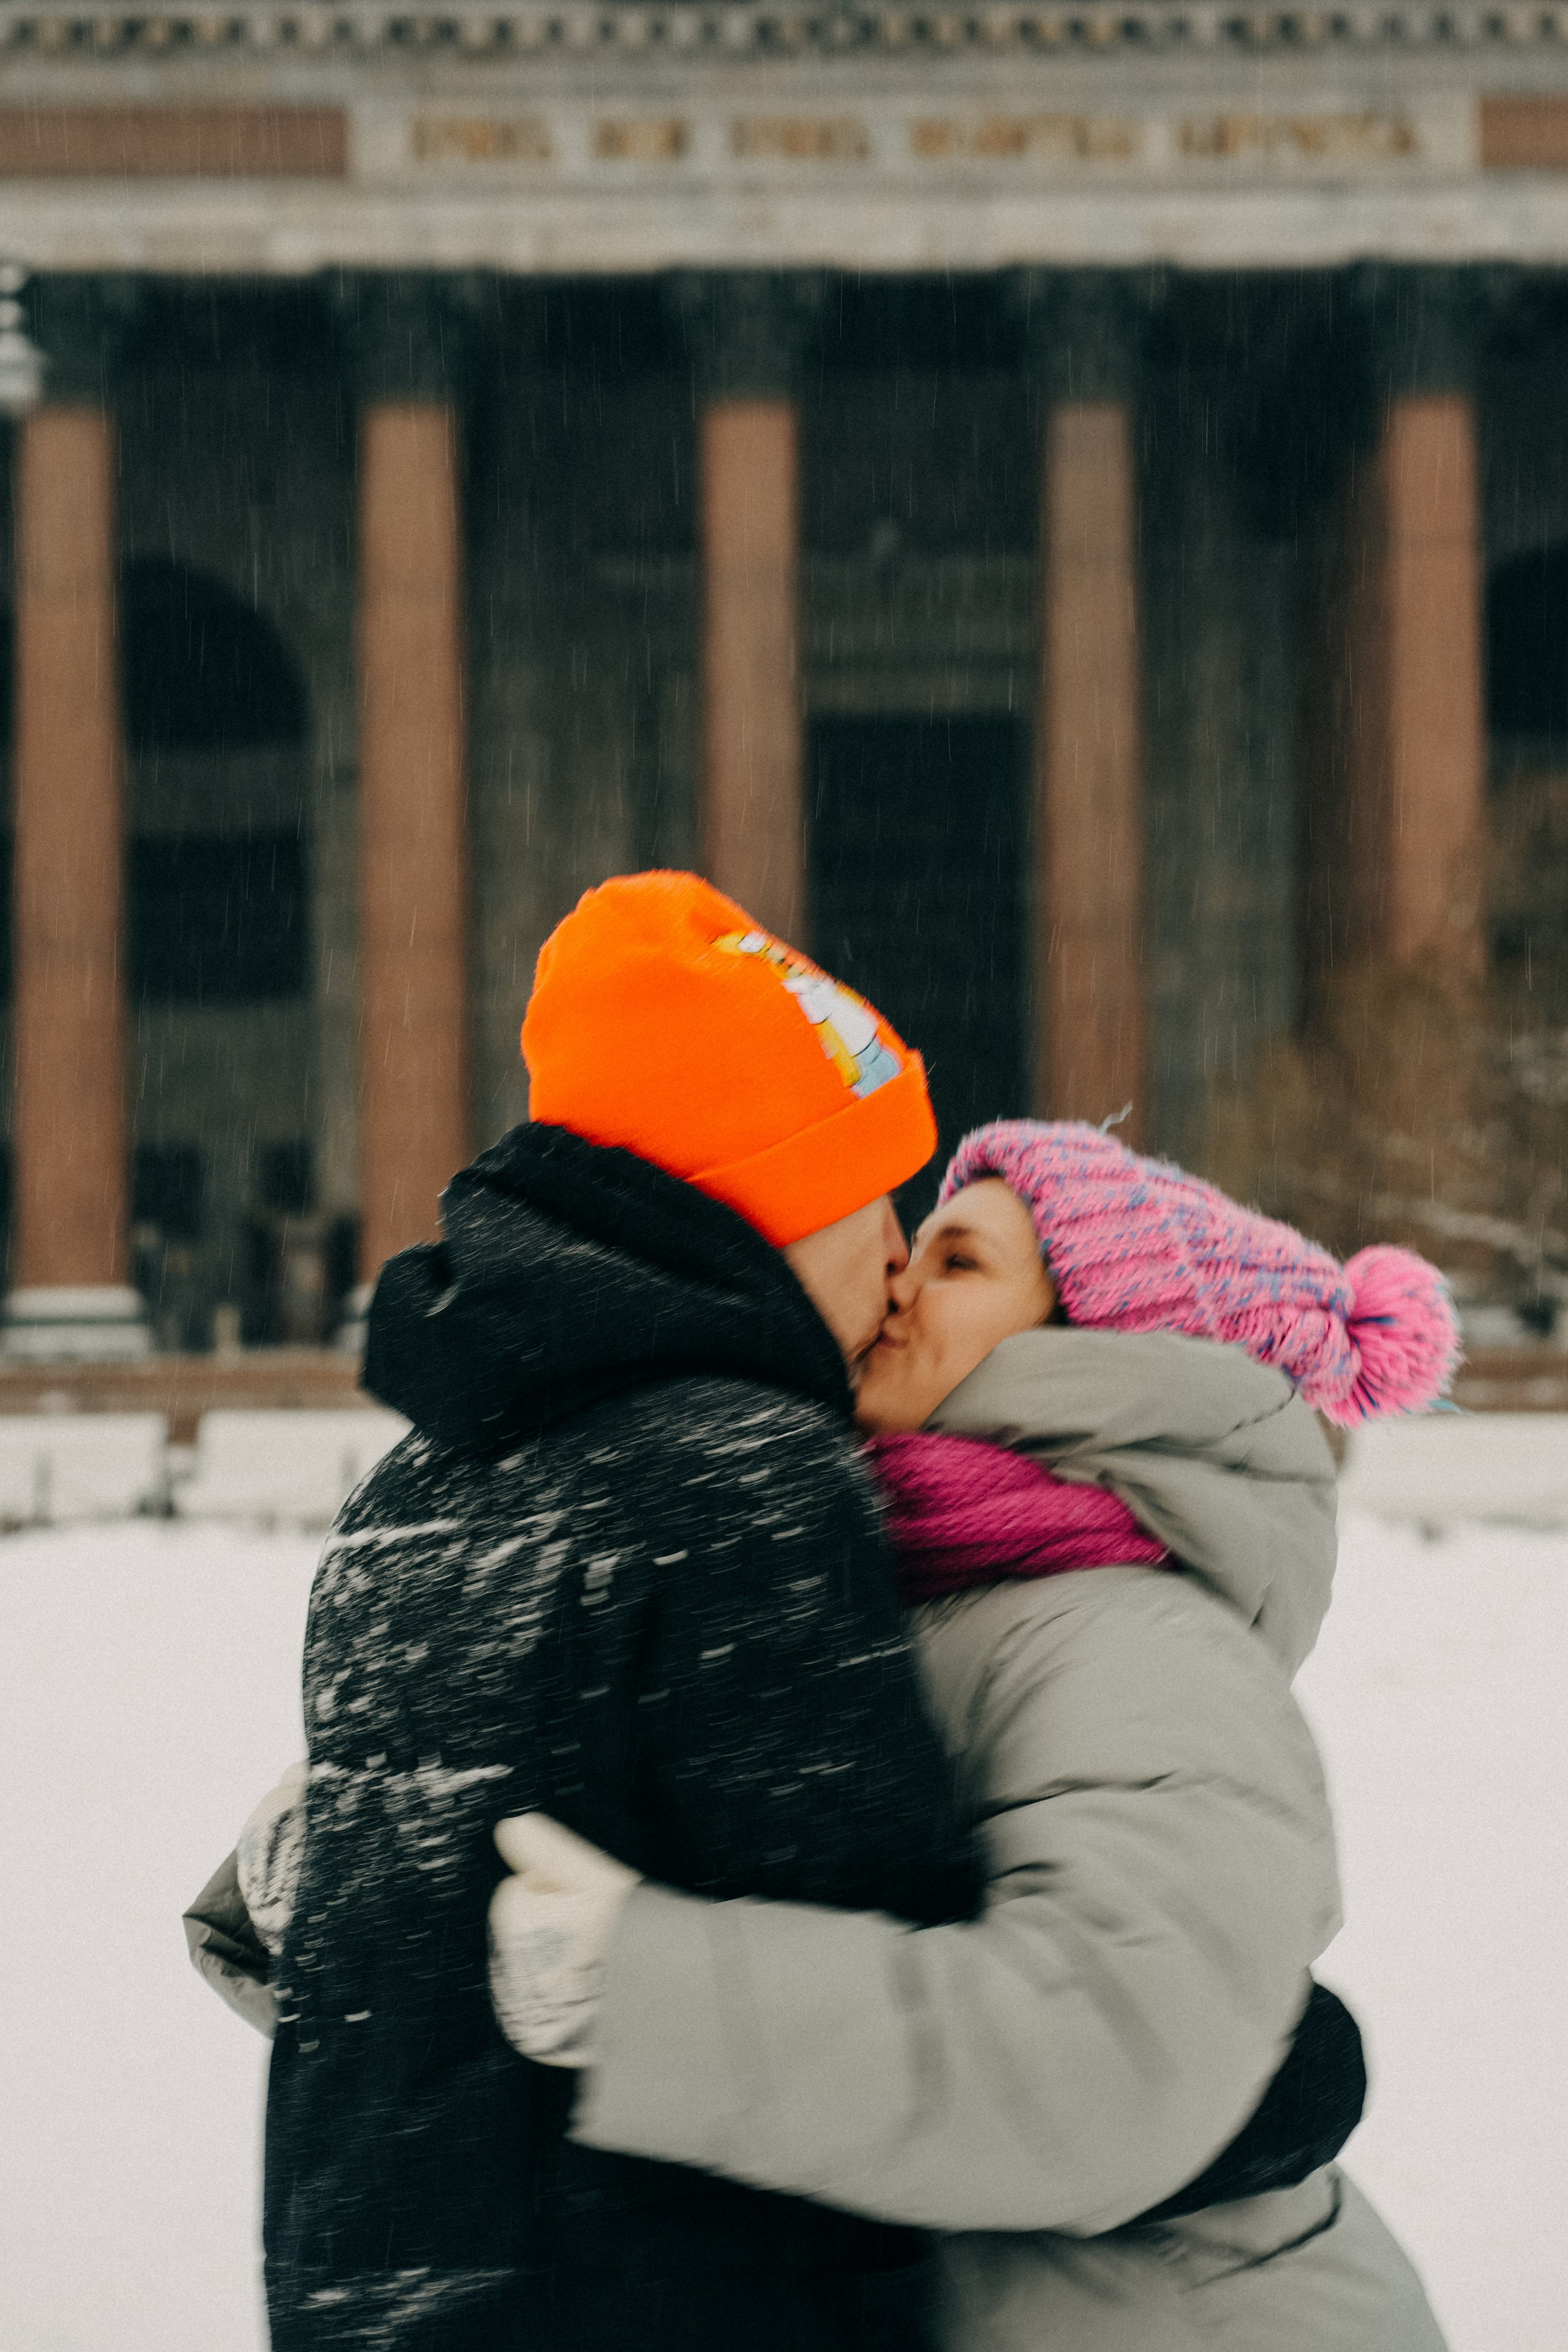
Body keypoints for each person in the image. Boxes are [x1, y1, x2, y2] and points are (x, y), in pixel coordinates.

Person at [489, 1119, 1457, 2350]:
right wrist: (386, 1866)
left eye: (956, 1264)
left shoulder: (1140, 1648)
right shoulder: (888, 1600)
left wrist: (633, 1990)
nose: (894, 1282)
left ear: (1102, 1350)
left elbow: (1102, 2059)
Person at [189, 870, 986, 2352]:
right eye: (860, 1189)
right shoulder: (750, 1476)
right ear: (740, 1196)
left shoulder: (409, 1486)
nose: (897, 1249)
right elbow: (871, 1979)